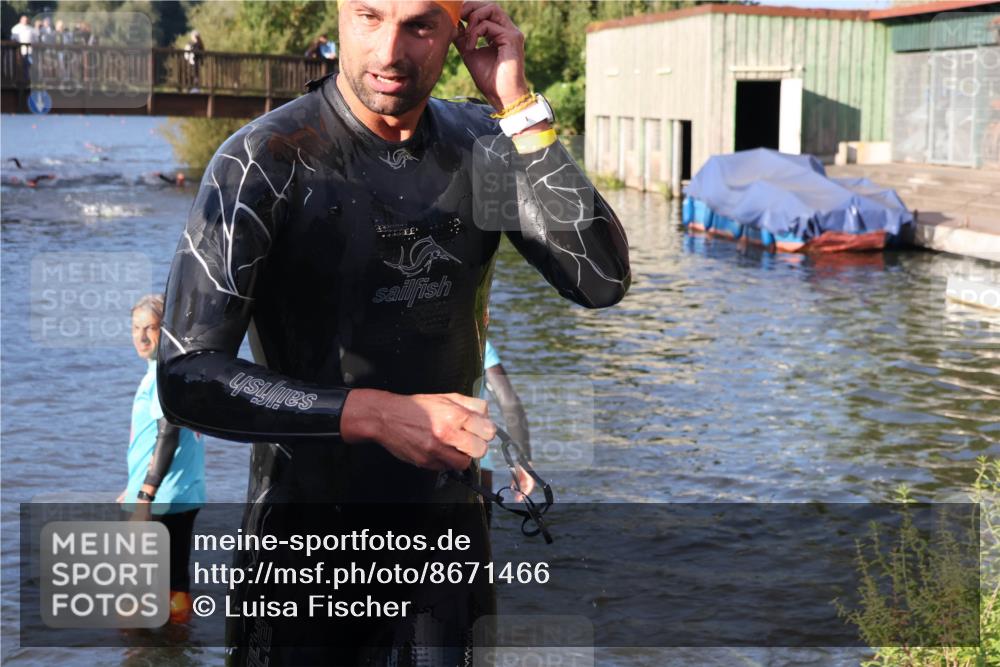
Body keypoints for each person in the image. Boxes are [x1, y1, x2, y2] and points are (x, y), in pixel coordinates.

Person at [157, 0, 629, 662]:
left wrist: (519, 107)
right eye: (370, 17)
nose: (389, 51)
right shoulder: (266, 161)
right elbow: (187, 377)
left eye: (420, 25)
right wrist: (371, 413)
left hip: (447, 554)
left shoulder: (481, 148)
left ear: (460, 28)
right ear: (339, 14)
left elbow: (599, 279)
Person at [119, 294, 206, 625]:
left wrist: (144, 495)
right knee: (173, 582)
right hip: (180, 492)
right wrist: (133, 485)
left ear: (165, 330)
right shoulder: (173, 369)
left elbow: (167, 434)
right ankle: (178, 646)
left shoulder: (162, 374)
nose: (141, 337)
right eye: (135, 328)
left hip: (162, 497)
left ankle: (139, 653)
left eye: (150, 328)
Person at [480, 338, 530, 519]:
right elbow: (509, 401)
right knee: (477, 541)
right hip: (475, 462)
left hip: (414, 449)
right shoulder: (478, 339)